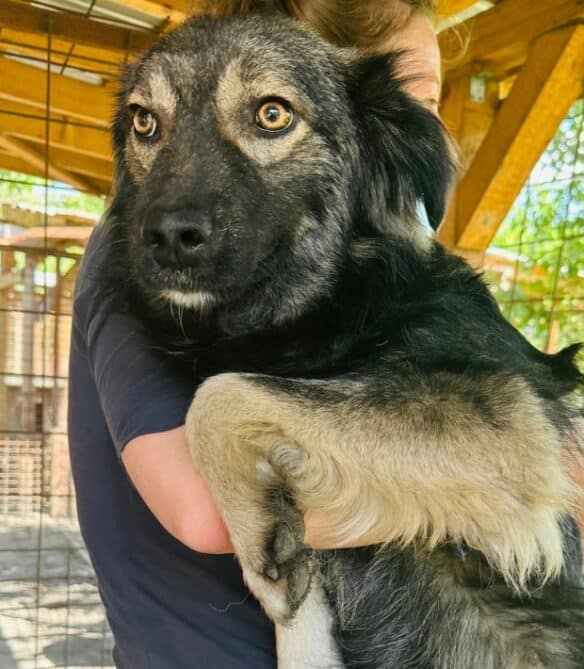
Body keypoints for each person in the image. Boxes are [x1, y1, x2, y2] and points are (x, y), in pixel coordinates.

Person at [68, 1, 442, 667]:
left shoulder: (344, 273)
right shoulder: (131, 256)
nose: (414, 127)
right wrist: (500, 480)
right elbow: (205, 510)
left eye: (425, 97)